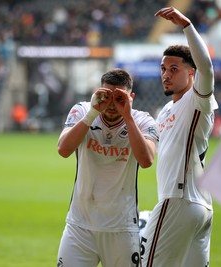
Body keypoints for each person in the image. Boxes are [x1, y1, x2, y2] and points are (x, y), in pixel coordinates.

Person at [140, 7, 218, 267]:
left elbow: (206, 67)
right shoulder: (166, 110)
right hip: (199, 207)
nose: (166, 74)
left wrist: (186, 25)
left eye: (174, 68)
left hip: (178, 200)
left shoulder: (196, 100)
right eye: (163, 68)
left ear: (191, 74)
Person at [56, 68, 158, 267]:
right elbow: (63, 149)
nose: (112, 104)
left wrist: (127, 117)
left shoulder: (142, 120)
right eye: (107, 95)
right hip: (80, 226)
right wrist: (94, 112)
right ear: (98, 92)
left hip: (122, 229)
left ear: (131, 97)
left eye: (119, 97)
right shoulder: (83, 110)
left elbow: (146, 160)